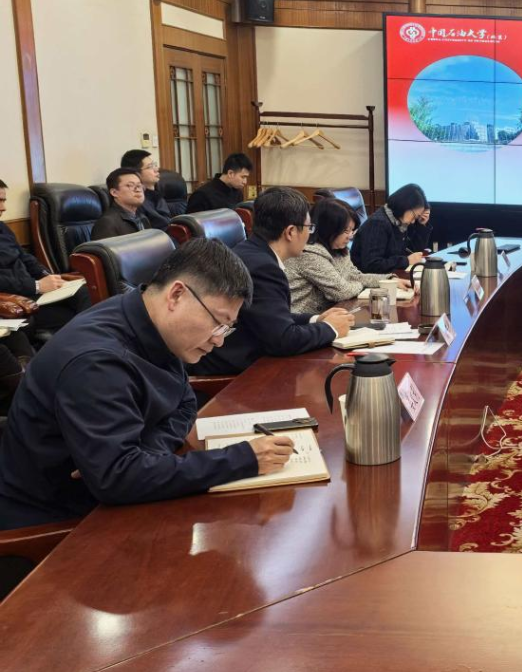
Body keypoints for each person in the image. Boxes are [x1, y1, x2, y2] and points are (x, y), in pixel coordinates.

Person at [0, 239, 297, 529]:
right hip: (60, 520)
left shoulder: (150, 321)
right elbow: (118, 480)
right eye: (217, 323)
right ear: (176, 295)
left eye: (227, 328)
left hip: (108, 495)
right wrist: (244, 459)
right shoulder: (97, 363)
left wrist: (146, 452)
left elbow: (185, 403)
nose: (219, 340)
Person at [190, 187, 354, 376]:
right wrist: (330, 329)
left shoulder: (252, 252)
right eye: (309, 228)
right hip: (236, 373)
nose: (310, 234)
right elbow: (283, 340)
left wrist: (317, 319)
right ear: (290, 232)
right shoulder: (263, 268)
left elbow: (268, 318)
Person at [0, 179, 89, 333]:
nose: (4, 208)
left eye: (4, 201)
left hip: (35, 291)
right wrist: (36, 286)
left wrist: (47, 276)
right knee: (71, 317)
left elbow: (25, 258)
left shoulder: (2, 227)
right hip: (17, 302)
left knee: (86, 292)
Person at [286, 198, 394, 316]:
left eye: (352, 230)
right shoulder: (309, 254)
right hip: (304, 320)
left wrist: (389, 279)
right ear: (328, 229)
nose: (350, 236)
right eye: (346, 231)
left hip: (331, 314)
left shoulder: (339, 250)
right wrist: (361, 285)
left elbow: (356, 276)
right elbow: (342, 292)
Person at [351, 183, 430, 277]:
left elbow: (414, 251)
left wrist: (421, 225)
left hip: (388, 276)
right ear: (405, 205)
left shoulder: (398, 221)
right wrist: (407, 260)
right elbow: (371, 265)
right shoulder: (378, 223)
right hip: (366, 281)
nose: (413, 221)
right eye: (415, 216)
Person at [91, 168, 150, 240]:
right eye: (130, 185)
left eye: (139, 185)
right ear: (114, 192)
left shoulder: (143, 218)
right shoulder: (106, 223)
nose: (138, 190)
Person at [187, 152, 251, 213]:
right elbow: (191, 220)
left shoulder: (238, 193)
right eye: (243, 177)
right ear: (230, 173)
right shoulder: (201, 195)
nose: (245, 182)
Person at [121, 149, 171, 229]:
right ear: (136, 174)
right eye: (150, 166)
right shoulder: (137, 201)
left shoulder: (157, 193)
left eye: (154, 165)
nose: (156, 169)